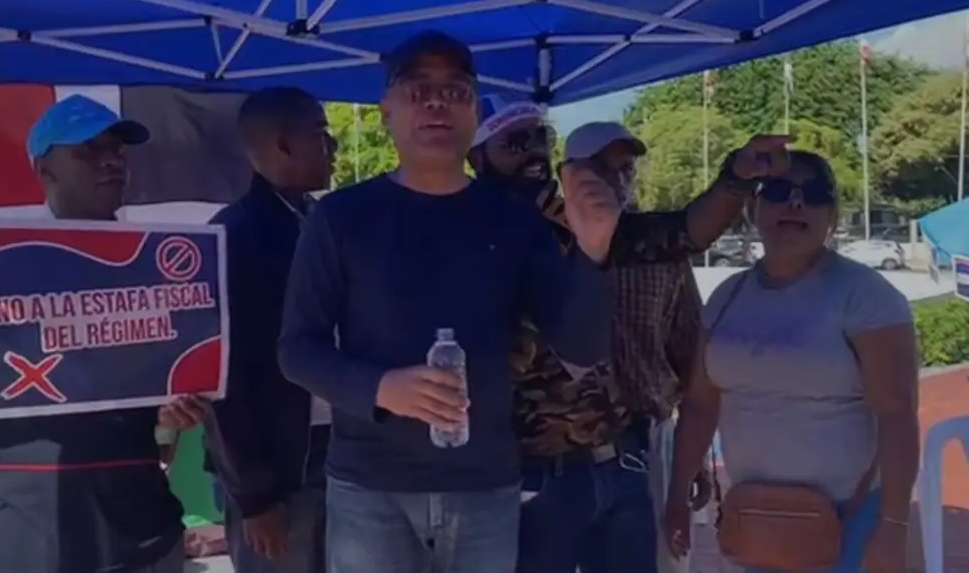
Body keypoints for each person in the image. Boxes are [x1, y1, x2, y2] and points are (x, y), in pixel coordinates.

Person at [276, 30, 621, 573]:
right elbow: (297, 349)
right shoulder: (341, 218)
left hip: (485, 488)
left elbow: (582, 348)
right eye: (417, 90)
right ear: (387, 111)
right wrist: (380, 388)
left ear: (473, 112)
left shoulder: (514, 222)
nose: (437, 102)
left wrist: (594, 251)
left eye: (455, 90)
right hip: (370, 489)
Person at [466, 100, 788, 573]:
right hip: (532, 478)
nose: (533, 152)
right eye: (514, 142)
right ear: (475, 158)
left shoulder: (584, 221)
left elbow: (685, 233)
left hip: (622, 463)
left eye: (541, 138)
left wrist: (737, 175)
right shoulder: (465, 237)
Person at [0, 95, 188, 573]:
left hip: (140, 528)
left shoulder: (154, 264)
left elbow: (165, 427)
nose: (111, 161)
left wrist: (176, 410)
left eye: (117, 150)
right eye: (87, 150)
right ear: (44, 169)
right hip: (27, 528)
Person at [665, 151, 919, 573]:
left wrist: (893, 528)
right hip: (754, 524)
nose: (796, 204)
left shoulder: (867, 296)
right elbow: (700, 406)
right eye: (780, 191)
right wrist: (676, 497)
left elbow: (896, 415)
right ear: (754, 208)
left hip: (850, 522)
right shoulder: (727, 296)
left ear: (832, 214)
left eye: (815, 195)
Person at [203, 86, 337, 573]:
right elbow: (222, 380)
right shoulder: (230, 237)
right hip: (275, 469)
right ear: (282, 146)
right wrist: (254, 498)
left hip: (341, 454)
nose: (335, 146)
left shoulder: (323, 220)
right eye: (322, 134)